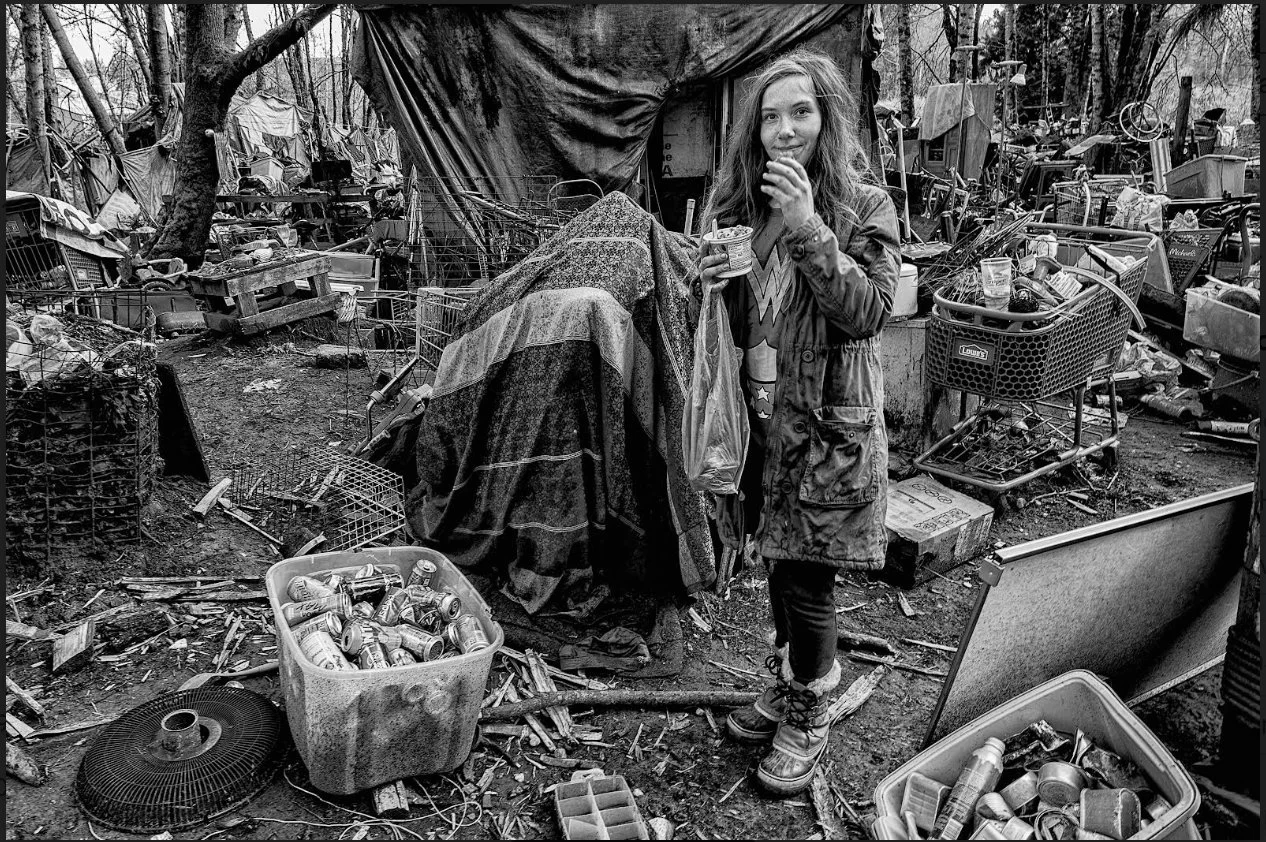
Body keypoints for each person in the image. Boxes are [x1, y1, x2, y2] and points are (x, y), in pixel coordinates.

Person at [693, 47, 899, 797]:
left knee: (808, 579)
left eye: (801, 112)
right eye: (771, 117)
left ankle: (811, 705)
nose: (785, 130)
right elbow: (743, 316)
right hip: (759, 420)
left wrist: (812, 226)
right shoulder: (744, 208)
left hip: (825, 427)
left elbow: (869, 314)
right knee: (777, 562)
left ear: (829, 118)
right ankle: (791, 680)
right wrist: (713, 279)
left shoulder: (865, 207)